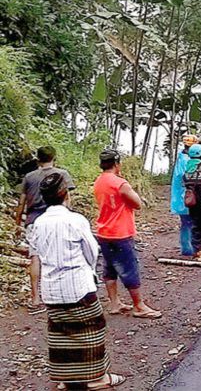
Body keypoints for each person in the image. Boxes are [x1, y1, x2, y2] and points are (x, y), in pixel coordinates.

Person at [29, 173, 126, 389]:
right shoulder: (76, 220)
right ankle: (97, 378)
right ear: (65, 195)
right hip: (78, 286)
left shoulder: (38, 224)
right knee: (92, 329)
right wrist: (88, 271)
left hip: (52, 289)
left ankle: (67, 379)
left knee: (60, 333)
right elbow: (91, 252)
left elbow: (37, 255)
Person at [93, 149, 162, 318]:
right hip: (120, 232)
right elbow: (137, 203)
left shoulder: (99, 181)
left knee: (109, 268)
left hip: (104, 231)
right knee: (129, 268)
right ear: (117, 164)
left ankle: (114, 303)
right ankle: (138, 305)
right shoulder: (120, 183)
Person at [15, 146, 76, 315]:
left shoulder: (29, 177)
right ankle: (60, 296)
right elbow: (67, 200)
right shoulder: (62, 174)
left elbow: (22, 202)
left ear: (37, 160)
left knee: (35, 257)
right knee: (59, 255)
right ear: (54, 158)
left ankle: (35, 298)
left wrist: (18, 222)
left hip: (34, 221)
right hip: (56, 219)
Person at [171, 134, 199, 256]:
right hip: (185, 195)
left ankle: (188, 247)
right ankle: (188, 249)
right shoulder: (187, 160)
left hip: (181, 196)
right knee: (188, 223)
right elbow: (186, 177)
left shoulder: (182, 158)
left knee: (186, 223)